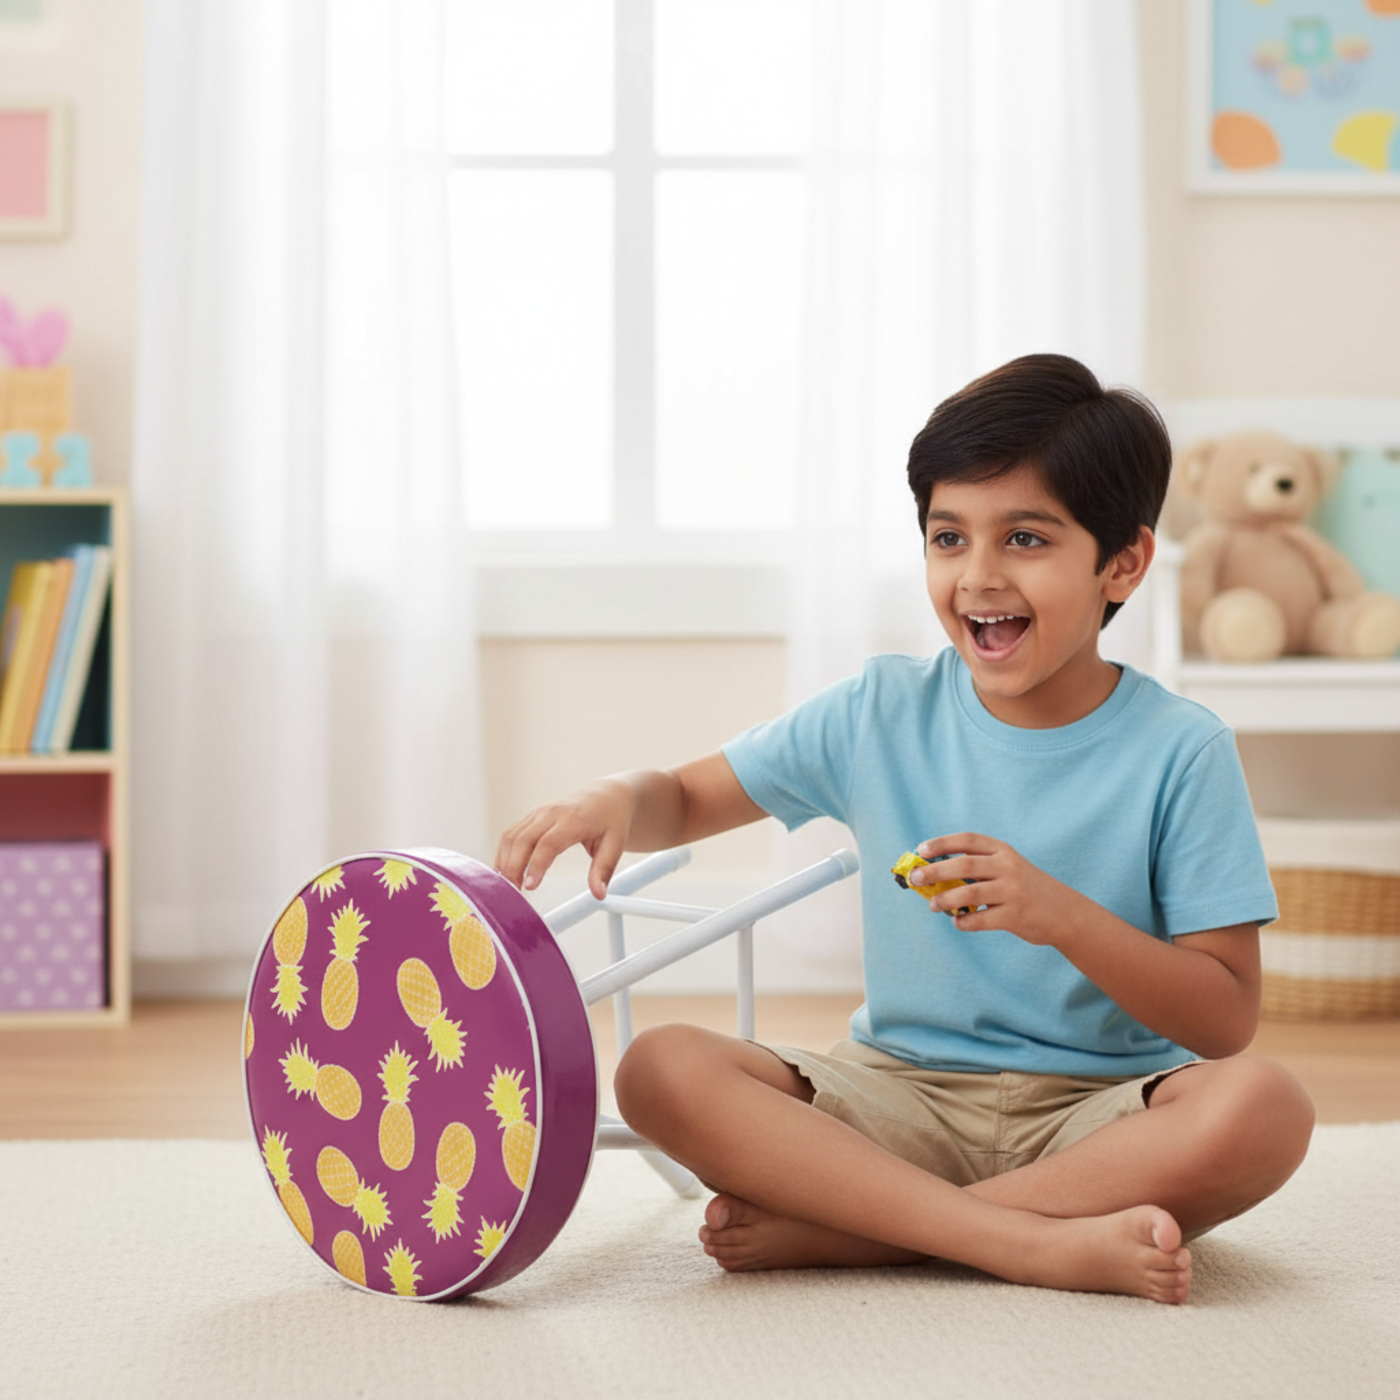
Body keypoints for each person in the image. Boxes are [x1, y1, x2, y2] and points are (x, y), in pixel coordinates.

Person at [494, 354, 1315, 1305]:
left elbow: (1224, 1019)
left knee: (1266, 1107)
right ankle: (1019, 1241)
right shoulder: (879, 711)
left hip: (1097, 1121)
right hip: (896, 1098)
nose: (979, 576)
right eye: (948, 537)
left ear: (1122, 562)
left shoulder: (1183, 750)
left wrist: (1058, 916)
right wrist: (615, 797)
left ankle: (871, 1231)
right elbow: (685, 795)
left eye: (1026, 538)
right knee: (658, 1069)